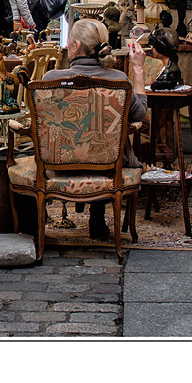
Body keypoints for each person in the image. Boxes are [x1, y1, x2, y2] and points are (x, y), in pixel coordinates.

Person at [43, 19, 149, 239]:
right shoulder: (119, 80)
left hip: (59, 164)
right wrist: (138, 70)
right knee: (101, 146)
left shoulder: (50, 80)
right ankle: (97, 215)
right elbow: (139, 116)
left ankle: (33, 224)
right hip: (108, 166)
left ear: (76, 45)